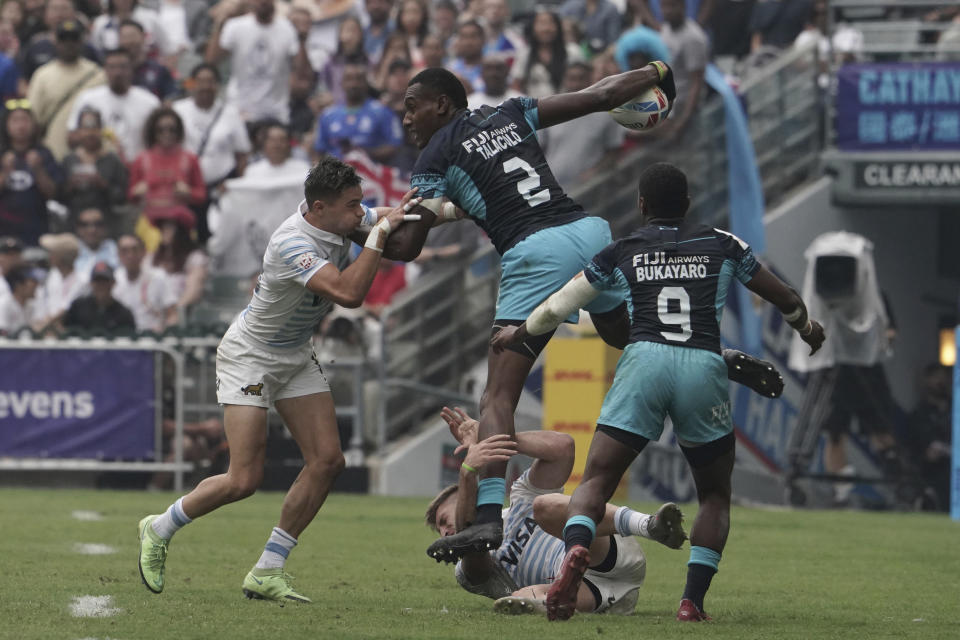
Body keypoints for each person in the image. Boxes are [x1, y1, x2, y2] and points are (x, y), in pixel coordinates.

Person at [489, 163, 826, 622]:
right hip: (702, 364)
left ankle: (574, 555)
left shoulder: (622, 250)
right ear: (688, 203)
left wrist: (518, 334)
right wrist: (806, 328)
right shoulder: (724, 245)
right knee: (713, 495)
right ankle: (691, 603)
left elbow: (561, 303)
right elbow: (785, 298)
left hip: (643, 362)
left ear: (641, 205)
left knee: (594, 483)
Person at [393, 64, 677, 568]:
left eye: (412, 105)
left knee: (498, 392)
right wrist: (658, 71)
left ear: (441, 104)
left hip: (534, 250)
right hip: (587, 232)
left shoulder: (433, 154)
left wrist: (359, 232)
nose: (405, 116)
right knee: (625, 332)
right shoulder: (511, 112)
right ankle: (710, 353)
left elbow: (409, 246)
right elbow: (601, 95)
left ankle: (486, 515)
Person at [136, 156, 422, 602]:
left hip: (294, 355)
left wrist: (443, 208)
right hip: (250, 356)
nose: (358, 215)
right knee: (243, 479)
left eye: (359, 205)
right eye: (351, 207)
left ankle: (267, 569)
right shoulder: (293, 242)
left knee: (328, 460)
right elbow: (349, 294)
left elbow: (383, 216)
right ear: (319, 208)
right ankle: (159, 527)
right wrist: (380, 238)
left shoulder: (339, 217)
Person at [426, 406, 686, 615]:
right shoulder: (466, 569)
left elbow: (563, 448)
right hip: (593, 590)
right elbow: (472, 547)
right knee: (520, 598)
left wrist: (492, 438)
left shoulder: (520, 499)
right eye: (440, 530)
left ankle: (650, 526)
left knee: (545, 506)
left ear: (463, 497)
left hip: (605, 554)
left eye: (443, 520)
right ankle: (550, 603)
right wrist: (467, 473)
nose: (445, 531)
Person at [205, 0, 310, 125]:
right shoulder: (236, 26)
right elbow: (211, 60)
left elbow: (301, 74)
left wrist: (302, 39)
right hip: (239, 109)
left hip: (274, 112)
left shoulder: (287, 29)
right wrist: (221, 22)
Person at [25, 18, 104, 160]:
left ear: (81, 41)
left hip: (93, 158)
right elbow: (33, 117)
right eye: (64, 39)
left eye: (73, 39)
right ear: (55, 42)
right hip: (54, 154)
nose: (69, 44)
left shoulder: (97, 74)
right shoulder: (42, 75)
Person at [67, 47, 161, 163]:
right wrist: (93, 136)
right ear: (105, 70)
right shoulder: (88, 99)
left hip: (138, 168)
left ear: (131, 69)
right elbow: (72, 138)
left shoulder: (150, 102)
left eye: (123, 67)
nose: (117, 73)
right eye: (112, 67)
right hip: (100, 168)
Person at [128, 107, 206, 229]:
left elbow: (201, 195)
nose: (167, 134)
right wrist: (136, 192)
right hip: (149, 224)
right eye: (161, 130)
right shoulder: (141, 159)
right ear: (153, 132)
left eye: (172, 130)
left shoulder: (190, 159)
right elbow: (130, 196)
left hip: (180, 224)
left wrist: (189, 193)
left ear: (179, 131)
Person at [312, 62, 404, 165]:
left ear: (366, 83)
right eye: (349, 79)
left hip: (371, 173)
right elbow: (319, 151)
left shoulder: (383, 111)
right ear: (342, 83)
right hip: (335, 174)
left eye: (359, 79)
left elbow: (395, 145)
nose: (354, 84)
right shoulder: (327, 115)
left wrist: (363, 155)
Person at [0, 99, 61, 245]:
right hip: (4, 230)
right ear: (6, 124)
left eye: (25, 120)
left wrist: (38, 170)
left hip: (36, 229)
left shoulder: (44, 154)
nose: (21, 126)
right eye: (15, 120)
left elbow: (54, 194)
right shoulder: (2, 153)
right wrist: (5, 172)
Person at [60, 107, 129, 228]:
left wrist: (102, 184)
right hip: (75, 223)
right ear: (79, 131)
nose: (90, 133)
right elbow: (58, 196)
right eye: (86, 128)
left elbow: (122, 197)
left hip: (106, 223)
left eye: (94, 128)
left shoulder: (112, 160)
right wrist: (70, 185)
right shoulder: (69, 160)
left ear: (101, 130)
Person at [113, 232, 178, 332]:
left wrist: (164, 331)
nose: (130, 255)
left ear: (144, 252)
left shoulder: (158, 277)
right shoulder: (113, 279)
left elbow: (172, 314)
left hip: (153, 339)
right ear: (118, 254)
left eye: (135, 250)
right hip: (121, 340)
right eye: (124, 251)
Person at [63, 260, 136, 334]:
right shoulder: (77, 307)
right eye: (97, 281)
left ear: (113, 283)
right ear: (91, 283)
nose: (101, 286)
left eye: (105, 281)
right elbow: (65, 331)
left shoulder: (123, 313)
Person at [73, 207, 119, 275]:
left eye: (98, 224)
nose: (92, 230)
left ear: (105, 227)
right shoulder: (71, 251)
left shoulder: (117, 250)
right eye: (85, 225)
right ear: (77, 228)